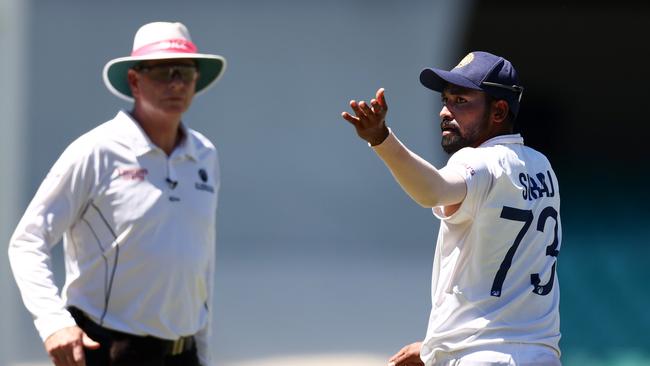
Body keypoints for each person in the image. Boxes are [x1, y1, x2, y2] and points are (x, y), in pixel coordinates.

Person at [8, 21, 226, 366]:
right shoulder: (96, 151)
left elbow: (200, 262)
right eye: (163, 72)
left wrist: (203, 350)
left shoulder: (204, 154)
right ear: (135, 81)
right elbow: (27, 240)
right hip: (109, 353)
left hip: (183, 355)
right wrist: (53, 322)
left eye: (185, 71)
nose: (176, 83)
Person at [341, 51, 561, 365]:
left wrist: (381, 138)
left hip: (481, 356)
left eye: (461, 101)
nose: (445, 112)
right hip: (541, 355)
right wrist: (436, 347)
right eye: (446, 100)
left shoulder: (478, 160)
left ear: (499, 111)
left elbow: (433, 191)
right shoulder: (543, 167)